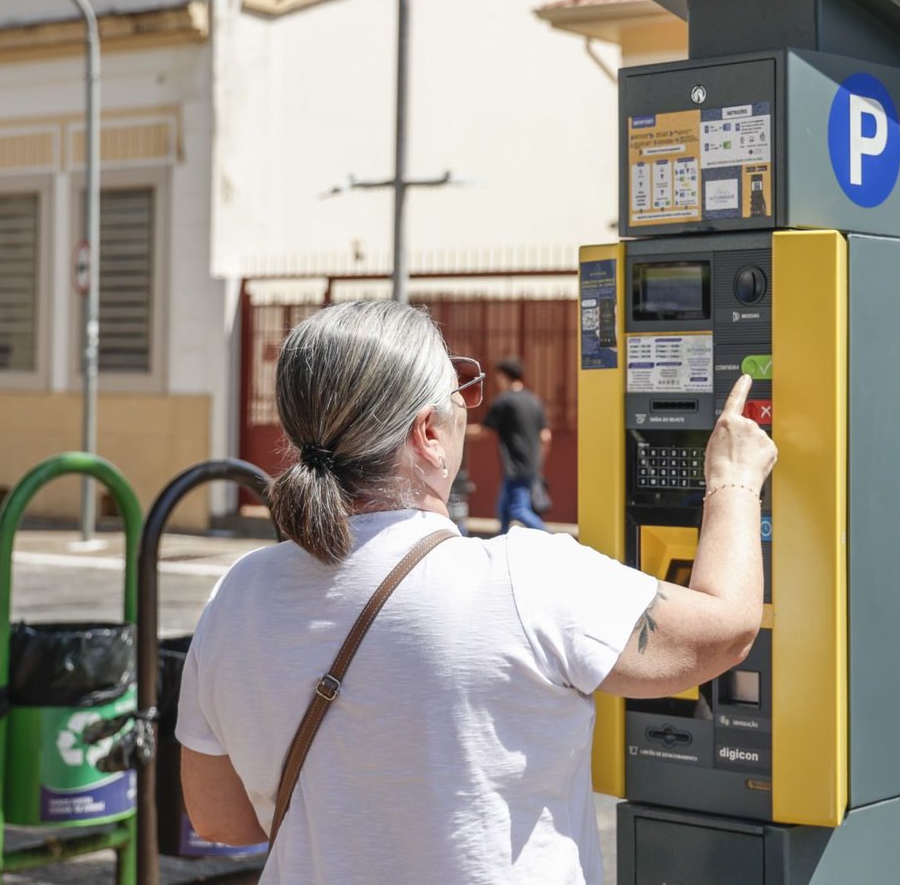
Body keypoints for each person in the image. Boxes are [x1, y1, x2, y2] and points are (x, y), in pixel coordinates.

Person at [177, 300, 775, 884]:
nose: (469, 404)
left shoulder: (238, 592)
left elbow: (220, 818)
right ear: (429, 432)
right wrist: (734, 480)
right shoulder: (521, 578)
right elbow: (726, 631)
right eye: (461, 388)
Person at [467, 358, 552, 533]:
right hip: (530, 466)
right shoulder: (534, 400)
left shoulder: (504, 401)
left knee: (518, 510)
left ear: (503, 376)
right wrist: (537, 462)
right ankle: (502, 543)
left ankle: (553, 540)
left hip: (515, 466)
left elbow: (485, 431)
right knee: (504, 509)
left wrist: (458, 431)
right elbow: (546, 436)